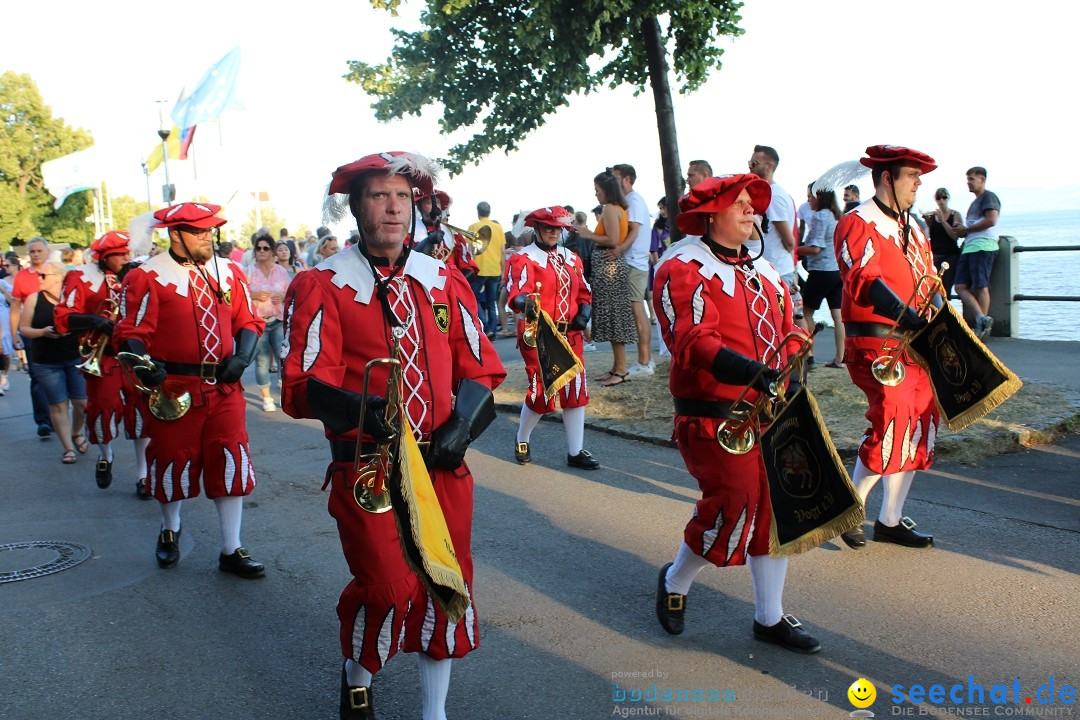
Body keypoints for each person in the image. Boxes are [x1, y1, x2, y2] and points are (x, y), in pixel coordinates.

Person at [280, 151, 506, 720]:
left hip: (442, 467)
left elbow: (481, 368)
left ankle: (435, 713)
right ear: (355, 207)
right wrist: (365, 408)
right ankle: (358, 670)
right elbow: (302, 386)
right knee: (386, 588)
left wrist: (463, 426)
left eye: (402, 197)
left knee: (445, 586)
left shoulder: (442, 278)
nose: (393, 207)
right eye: (380, 196)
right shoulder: (322, 284)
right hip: (368, 468)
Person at [651, 174, 820, 654]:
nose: (752, 212)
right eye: (740, 204)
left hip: (772, 410)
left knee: (775, 510)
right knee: (734, 504)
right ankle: (676, 578)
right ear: (711, 214)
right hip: (716, 415)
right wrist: (752, 370)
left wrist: (793, 361)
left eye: (753, 205)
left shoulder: (764, 266)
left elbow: (786, 324)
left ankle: (769, 617)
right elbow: (691, 340)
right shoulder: (682, 266)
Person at [113, 202, 266, 577]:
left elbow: (249, 319)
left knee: (229, 458)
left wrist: (243, 356)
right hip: (174, 389)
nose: (207, 237)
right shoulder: (147, 276)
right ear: (175, 234)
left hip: (225, 388)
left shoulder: (229, 271)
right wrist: (146, 367)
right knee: (172, 460)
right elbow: (131, 332)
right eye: (199, 232)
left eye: (210, 231)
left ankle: (232, 548)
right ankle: (170, 528)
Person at [834, 145, 941, 550]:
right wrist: (902, 311)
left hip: (915, 344)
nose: (918, 183)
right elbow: (862, 278)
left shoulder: (914, 228)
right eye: (911, 175)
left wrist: (943, 318)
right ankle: (850, 507)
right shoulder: (857, 222)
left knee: (919, 421)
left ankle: (891, 520)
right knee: (892, 419)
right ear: (885, 179)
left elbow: (930, 281)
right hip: (876, 343)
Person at [53, 231, 151, 493]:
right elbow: (64, 317)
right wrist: (96, 321)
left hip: (133, 356)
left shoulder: (136, 273)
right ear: (105, 256)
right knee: (103, 408)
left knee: (140, 411)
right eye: (120, 254)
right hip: (102, 356)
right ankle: (105, 456)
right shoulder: (80, 276)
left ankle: (143, 475)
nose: (126, 257)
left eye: (127, 252)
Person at [505, 206, 599, 469]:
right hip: (539, 333)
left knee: (575, 389)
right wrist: (526, 303)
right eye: (548, 228)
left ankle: (575, 451)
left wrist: (585, 312)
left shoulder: (572, 258)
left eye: (558, 229)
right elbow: (517, 292)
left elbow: (584, 291)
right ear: (536, 229)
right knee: (542, 391)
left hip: (571, 333)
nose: (553, 233)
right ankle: (522, 437)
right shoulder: (524, 259)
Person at [19, 261, 88, 463]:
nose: (39, 279)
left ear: (58, 277)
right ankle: (68, 449)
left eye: (43, 275)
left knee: (82, 403)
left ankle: (77, 432)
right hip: (46, 361)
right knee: (58, 404)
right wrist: (42, 332)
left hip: (73, 357)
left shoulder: (72, 298)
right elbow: (24, 329)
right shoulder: (34, 299)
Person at [577, 171, 635, 386]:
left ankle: (621, 370)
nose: (595, 194)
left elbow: (611, 239)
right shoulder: (619, 208)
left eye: (597, 190)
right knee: (613, 317)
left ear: (606, 190)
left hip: (608, 266)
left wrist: (588, 233)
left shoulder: (610, 208)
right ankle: (616, 367)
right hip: (610, 265)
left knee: (613, 317)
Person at [8, 237, 56, 437]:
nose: (36, 254)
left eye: (39, 251)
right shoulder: (22, 277)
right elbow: (16, 307)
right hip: (32, 333)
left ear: (47, 251)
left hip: (58, 332)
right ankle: (43, 421)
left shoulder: (57, 272)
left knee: (61, 377)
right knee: (37, 378)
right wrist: (14, 333)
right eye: (32, 251)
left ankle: (59, 415)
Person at [611, 164, 654, 376]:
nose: (613, 182)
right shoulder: (632, 201)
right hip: (634, 261)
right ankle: (646, 361)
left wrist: (619, 249)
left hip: (634, 262)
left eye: (616, 178)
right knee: (637, 310)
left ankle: (644, 362)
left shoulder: (634, 201)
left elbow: (634, 231)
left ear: (627, 179)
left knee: (637, 310)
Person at [796, 189, 845, 367]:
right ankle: (840, 358)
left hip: (821, 270)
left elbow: (815, 247)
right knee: (838, 316)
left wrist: (793, 251)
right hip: (837, 271)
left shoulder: (820, 216)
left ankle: (809, 354)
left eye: (810, 196)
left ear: (820, 197)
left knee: (805, 312)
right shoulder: (837, 216)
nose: (808, 200)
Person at [952, 166, 1001, 338]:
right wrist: (963, 231)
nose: (968, 182)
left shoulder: (989, 197)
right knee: (959, 286)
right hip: (970, 246)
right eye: (967, 179)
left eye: (972, 179)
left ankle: (982, 328)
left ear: (982, 179)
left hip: (983, 246)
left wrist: (967, 229)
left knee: (981, 286)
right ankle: (982, 318)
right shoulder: (974, 203)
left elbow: (991, 220)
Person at [246, 235, 291, 411]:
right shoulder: (248, 271)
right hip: (258, 322)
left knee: (283, 358)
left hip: (278, 320)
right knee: (262, 360)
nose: (262, 251)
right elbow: (238, 293)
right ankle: (266, 399)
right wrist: (254, 295)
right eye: (259, 248)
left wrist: (284, 297)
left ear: (272, 251)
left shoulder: (280, 271)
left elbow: (292, 293)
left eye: (266, 248)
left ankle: (283, 392)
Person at [467, 201, 507, 336]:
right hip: (495, 268)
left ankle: (485, 326)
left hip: (479, 269)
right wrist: (503, 271)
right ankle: (493, 330)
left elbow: (469, 251)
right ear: (489, 212)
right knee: (491, 302)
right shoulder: (498, 228)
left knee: (472, 296)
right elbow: (503, 251)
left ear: (478, 212)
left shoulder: (473, 226)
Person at [923, 188, 963, 298]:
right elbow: (931, 234)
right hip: (936, 255)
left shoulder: (955, 215)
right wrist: (928, 221)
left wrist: (943, 221)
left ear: (948, 198)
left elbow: (955, 236)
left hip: (950, 256)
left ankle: (945, 312)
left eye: (944, 197)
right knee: (933, 287)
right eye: (938, 198)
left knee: (946, 288)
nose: (941, 201)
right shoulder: (933, 216)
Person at [650, 199, 671, 358]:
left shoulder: (679, 224)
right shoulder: (658, 228)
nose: (663, 211)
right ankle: (664, 348)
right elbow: (654, 250)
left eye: (665, 208)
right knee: (662, 307)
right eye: (661, 208)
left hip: (677, 267)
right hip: (662, 269)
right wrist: (659, 269)